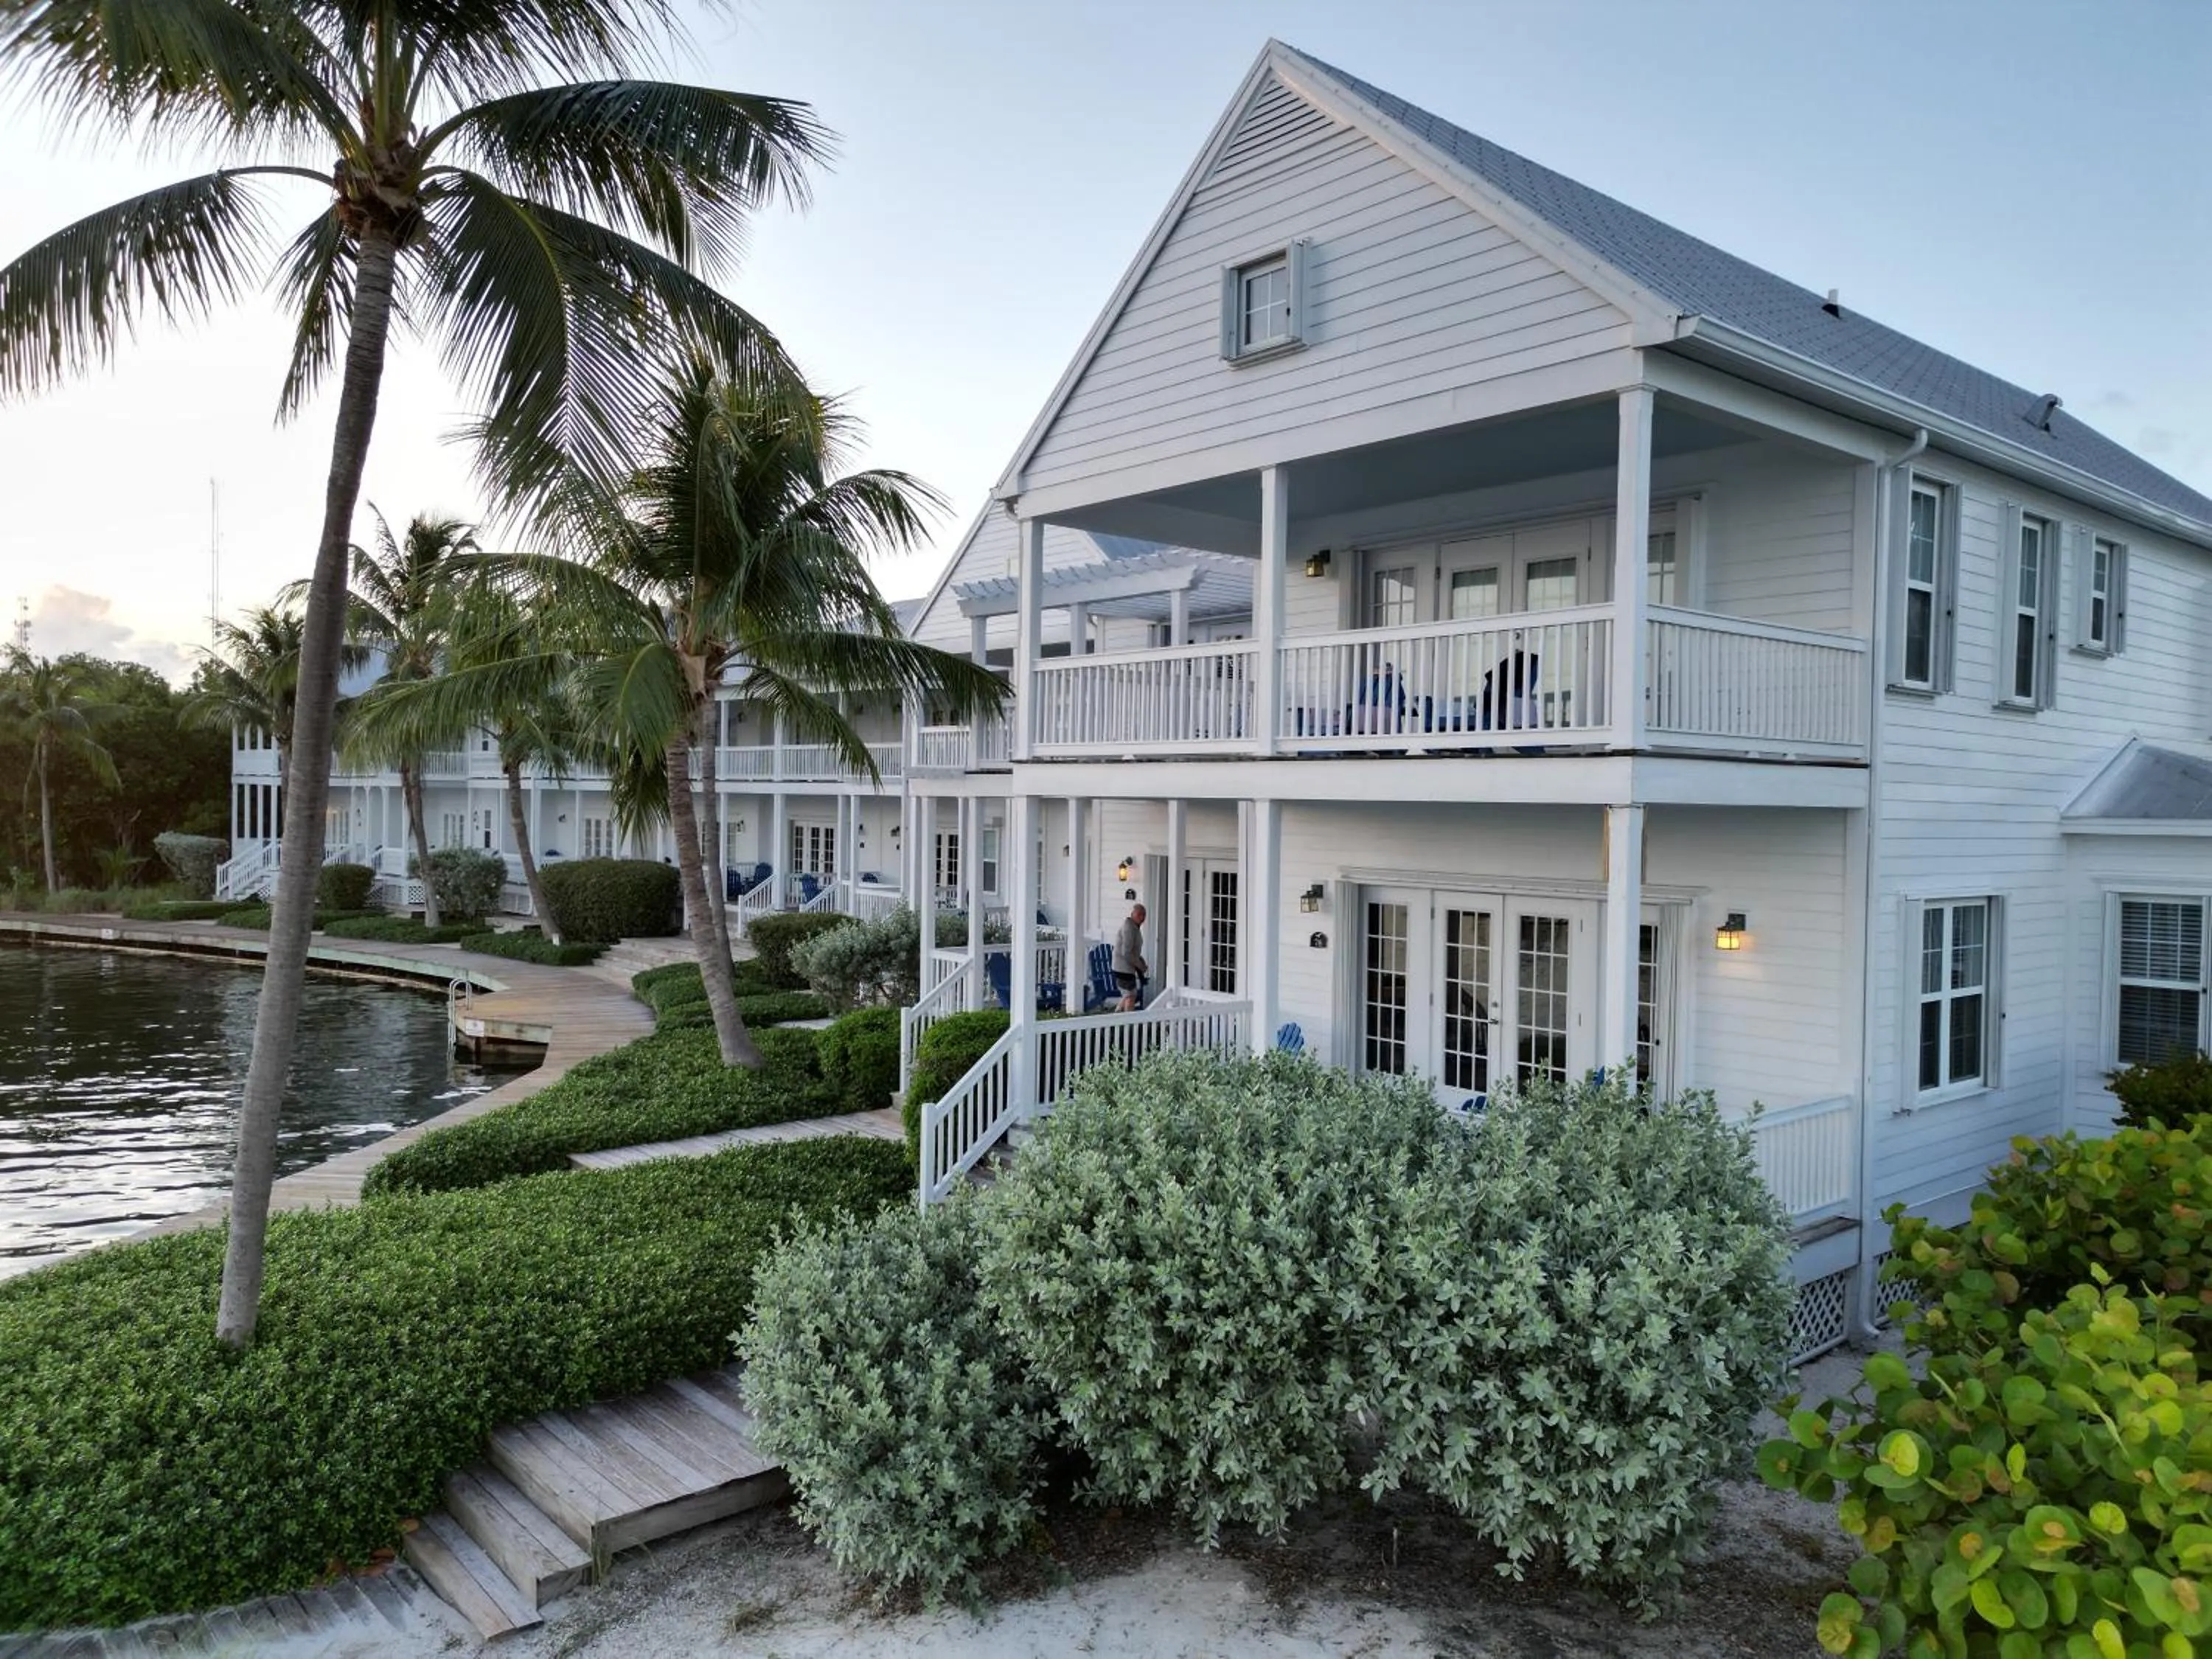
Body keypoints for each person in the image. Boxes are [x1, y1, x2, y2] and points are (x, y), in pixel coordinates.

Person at [1113, 902, 1149, 1011]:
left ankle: (1116, 1016)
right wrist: (1140, 966)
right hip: (1123, 968)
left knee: (1128, 994)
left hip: (1126, 968)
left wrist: (1141, 961)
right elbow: (1127, 953)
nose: (1142, 918)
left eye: (1144, 915)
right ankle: (1128, 1024)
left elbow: (1134, 951)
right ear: (1132, 914)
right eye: (1139, 915)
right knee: (1131, 996)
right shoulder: (1129, 929)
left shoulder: (1134, 927)